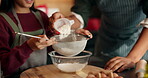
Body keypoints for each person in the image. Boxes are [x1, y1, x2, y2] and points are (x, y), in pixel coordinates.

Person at [54, 0, 148, 73]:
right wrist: (64, 23)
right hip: (106, 40)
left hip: (137, 42)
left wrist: (132, 58)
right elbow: (80, 15)